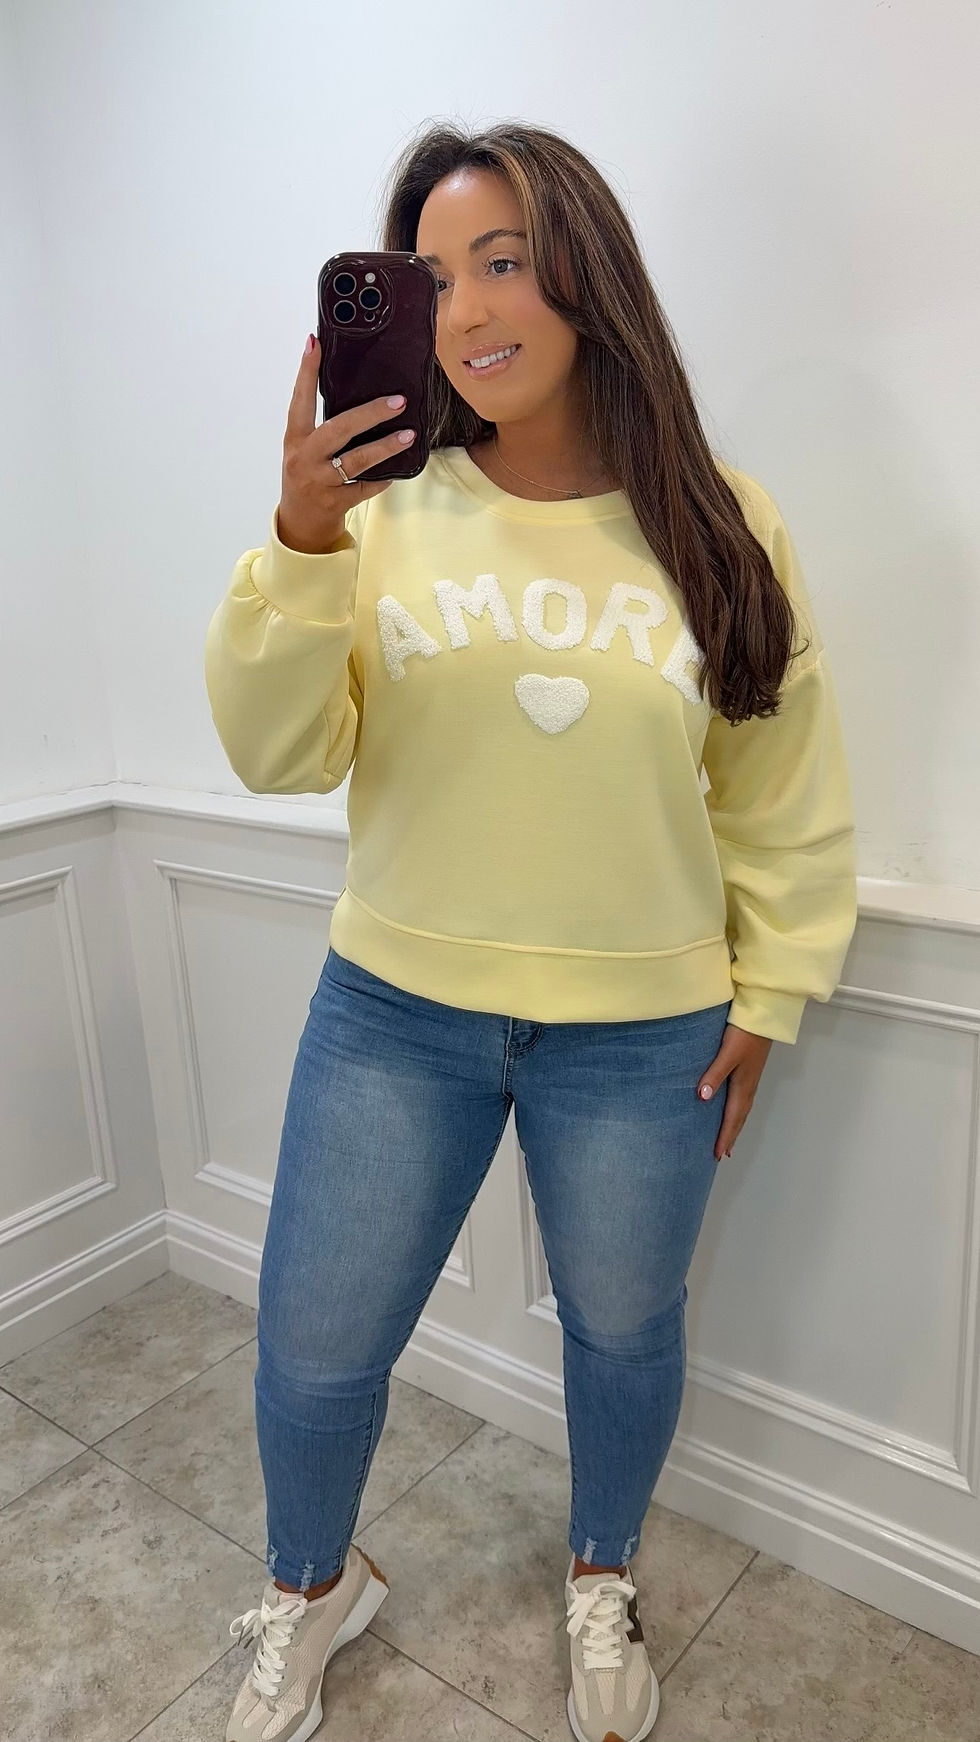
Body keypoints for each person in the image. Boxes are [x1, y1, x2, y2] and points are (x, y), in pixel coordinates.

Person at [205, 120, 857, 1742]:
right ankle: (311, 1584)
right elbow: (277, 753)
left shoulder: (722, 520)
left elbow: (778, 779)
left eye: (502, 260)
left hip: (644, 1035)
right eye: (430, 278)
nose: (468, 307)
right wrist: (298, 539)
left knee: (625, 1333)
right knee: (315, 1344)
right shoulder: (377, 513)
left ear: (586, 273)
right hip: (394, 1011)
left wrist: (770, 991)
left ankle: (602, 1568)